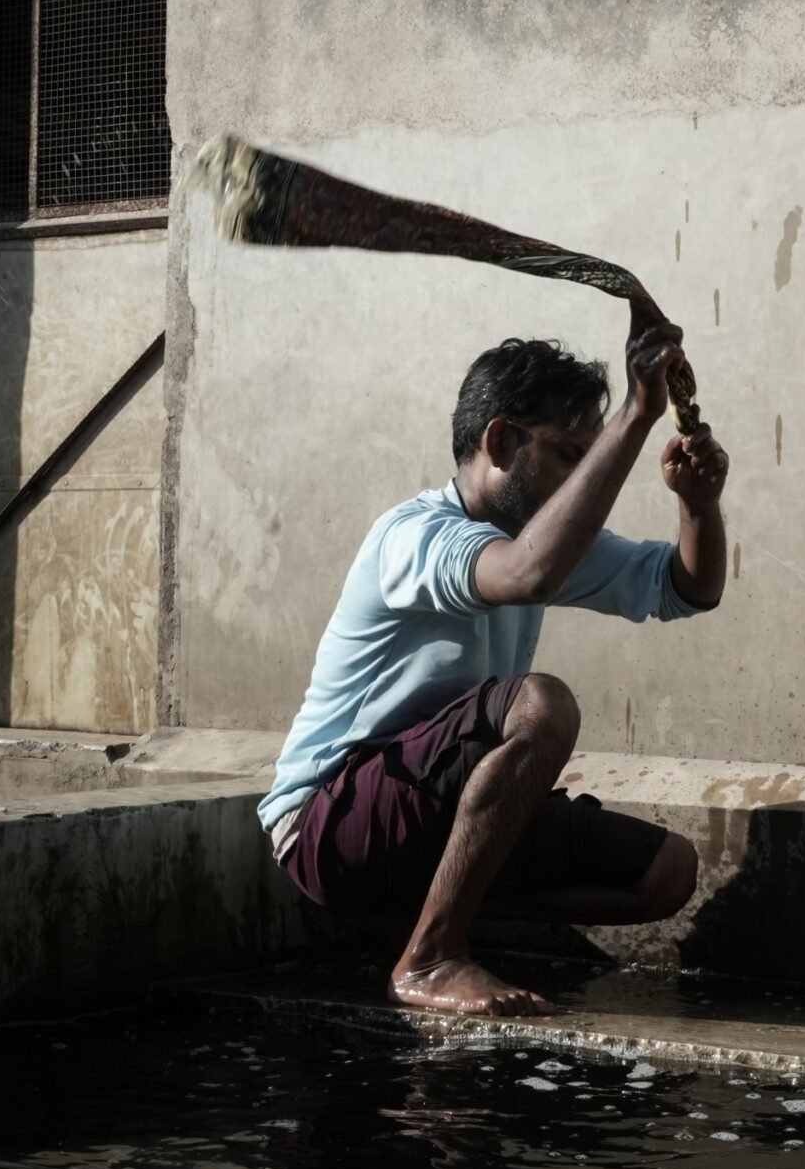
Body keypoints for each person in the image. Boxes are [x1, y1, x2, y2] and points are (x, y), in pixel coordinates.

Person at [258, 310, 729, 1017]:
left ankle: (428, 909)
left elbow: (687, 590)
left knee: (668, 871)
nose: (581, 478)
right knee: (542, 704)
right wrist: (637, 414)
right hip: (330, 821)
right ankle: (431, 957)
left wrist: (698, 507)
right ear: (501, 441)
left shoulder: (540, 539)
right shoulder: (416, 536)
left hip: (433, 814)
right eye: (568, 454)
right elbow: (526, 574)